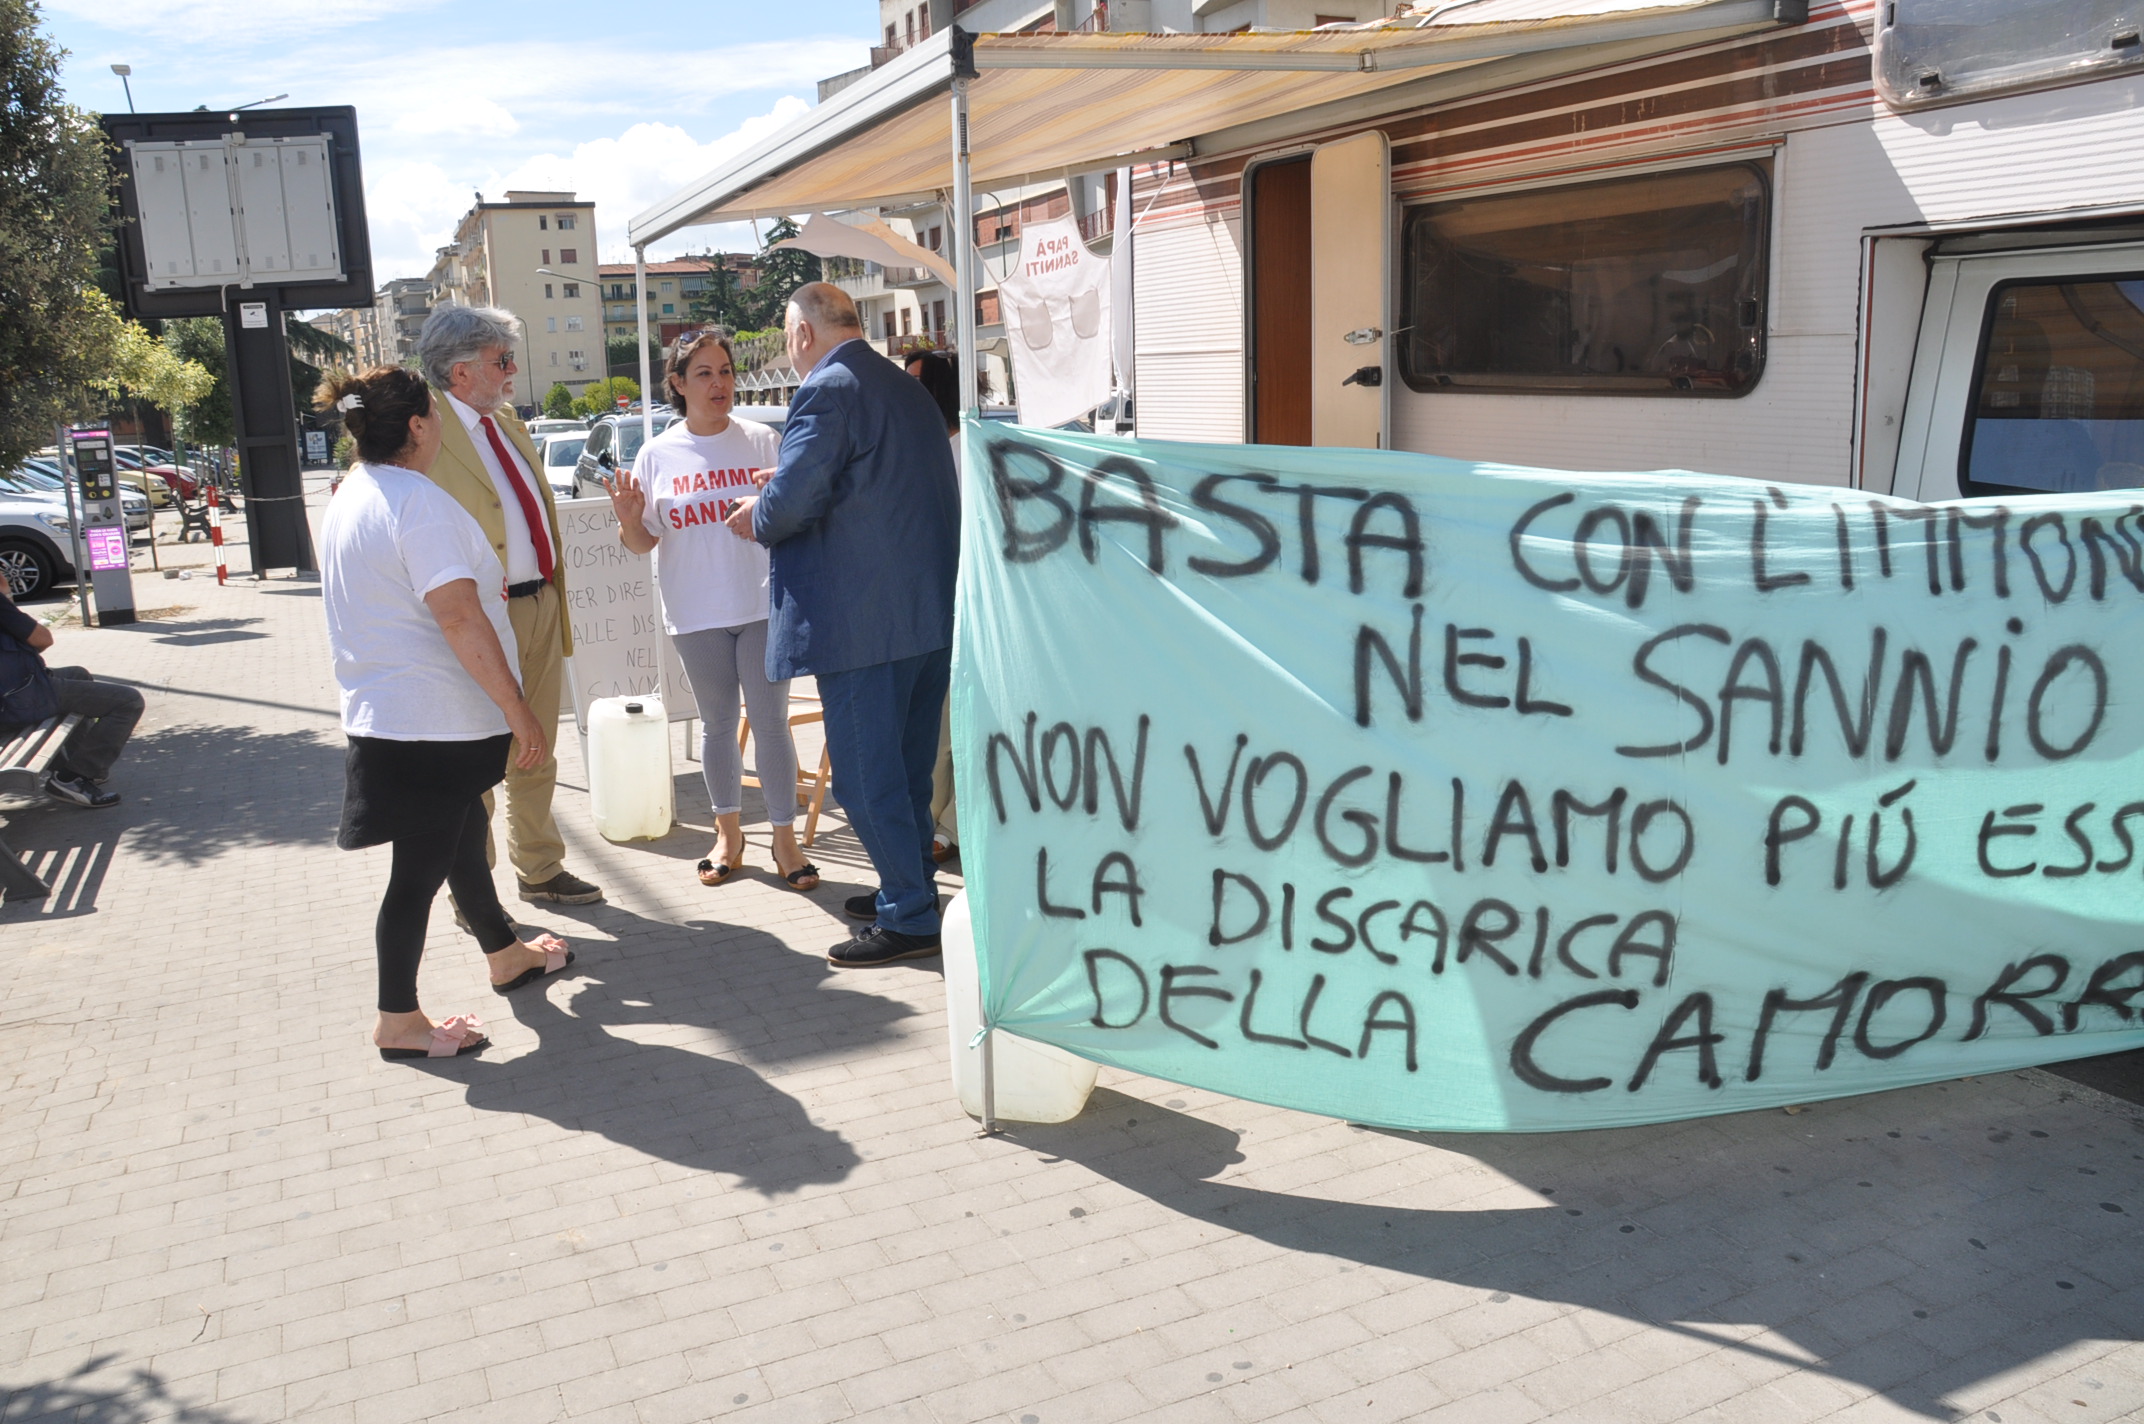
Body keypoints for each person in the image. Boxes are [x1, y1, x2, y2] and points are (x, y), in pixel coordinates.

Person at [317, 366, 576, 1062]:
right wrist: (519, 709)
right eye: (434, 414)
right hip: (431, 723)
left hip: (398, 718)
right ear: (417, 426)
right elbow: (459, 616)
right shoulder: (417, 503)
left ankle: (505, 953)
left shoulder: (353, 494)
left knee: (461, 837)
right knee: (417, 875)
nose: (440, 426)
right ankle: (397, 1020)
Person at [724, 283, 960, 966]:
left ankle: (909, 914)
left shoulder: (826, 389)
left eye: (787, 336)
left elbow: (791, 505)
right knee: (906, 772)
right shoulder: (903, 384)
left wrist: (758, 511)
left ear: (802, 333)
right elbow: (870, 486)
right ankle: (909, 886)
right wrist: (784, 487)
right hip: (923, 615)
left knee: (862, 777)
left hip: (863, 623)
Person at [601, 329, 819, 892]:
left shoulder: (763, 441)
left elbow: (798, 516)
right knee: (718, 725)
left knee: (769, 723)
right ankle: (728, 836)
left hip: (762, 603)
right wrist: (629, 519)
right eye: (704, 373)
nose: (719, 383)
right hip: (695, 612)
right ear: (678, 383)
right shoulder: (657, 454)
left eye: (725, 371)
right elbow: (643, 543)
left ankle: (785, 839)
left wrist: (773, 508)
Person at [415, 304, 602, 909]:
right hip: (479, 617)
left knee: (537, 744)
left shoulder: (507, 424)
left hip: (540, 603)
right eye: (502, 360)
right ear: (462, 371)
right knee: (479, 757)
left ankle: (540, 867)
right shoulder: (426, 432)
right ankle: (475, 891)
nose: (513, 370)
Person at [0, 589, 145, 809]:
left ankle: (82, 769)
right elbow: (42, 639)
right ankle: (71, 779)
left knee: (78, 674)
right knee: (128, 701)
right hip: (19, 698)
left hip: (17, 690)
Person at [903, 349, 961, 866]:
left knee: (955, 722)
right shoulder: (913, 449)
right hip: (926, 604)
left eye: (918, 381)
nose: (910, 391)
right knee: (934, 725)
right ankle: (935, 819)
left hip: (966, 600)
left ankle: (950, 823)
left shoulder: (966, 450)